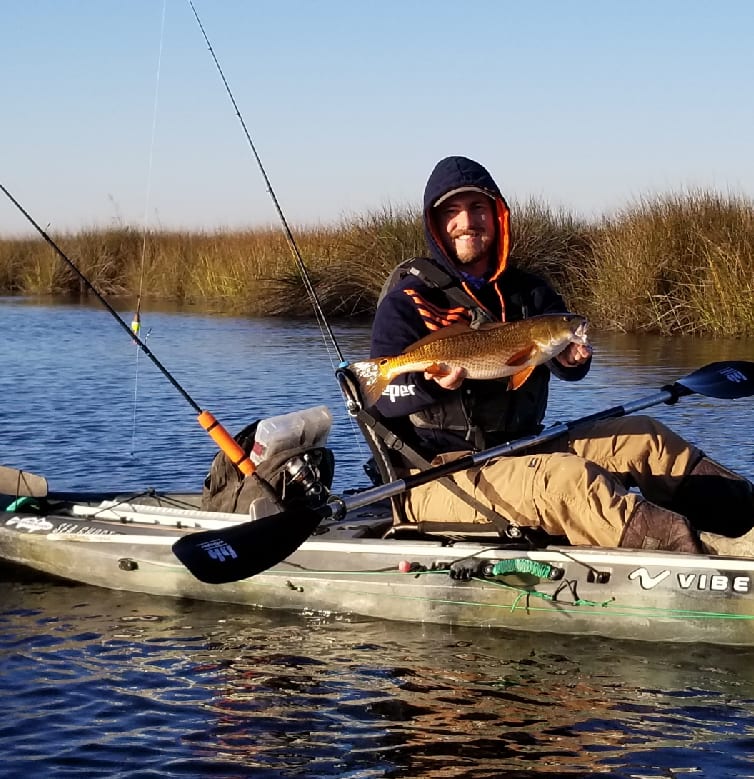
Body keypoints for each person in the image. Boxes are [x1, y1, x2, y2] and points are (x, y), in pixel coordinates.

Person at [368, 155, 754, 553]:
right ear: (434, 223)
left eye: (478, 208)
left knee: (648, 438)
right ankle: (688, 565)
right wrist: (431, 385)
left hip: (524, 447)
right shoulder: (406, 301)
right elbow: (379, 403)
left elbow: (562, 365)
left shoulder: (531, 293)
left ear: (497, 215)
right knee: (569, 480)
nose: (467, 222)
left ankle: (746, 523)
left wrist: (573, 361)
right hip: (439, 476)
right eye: (452, 211)